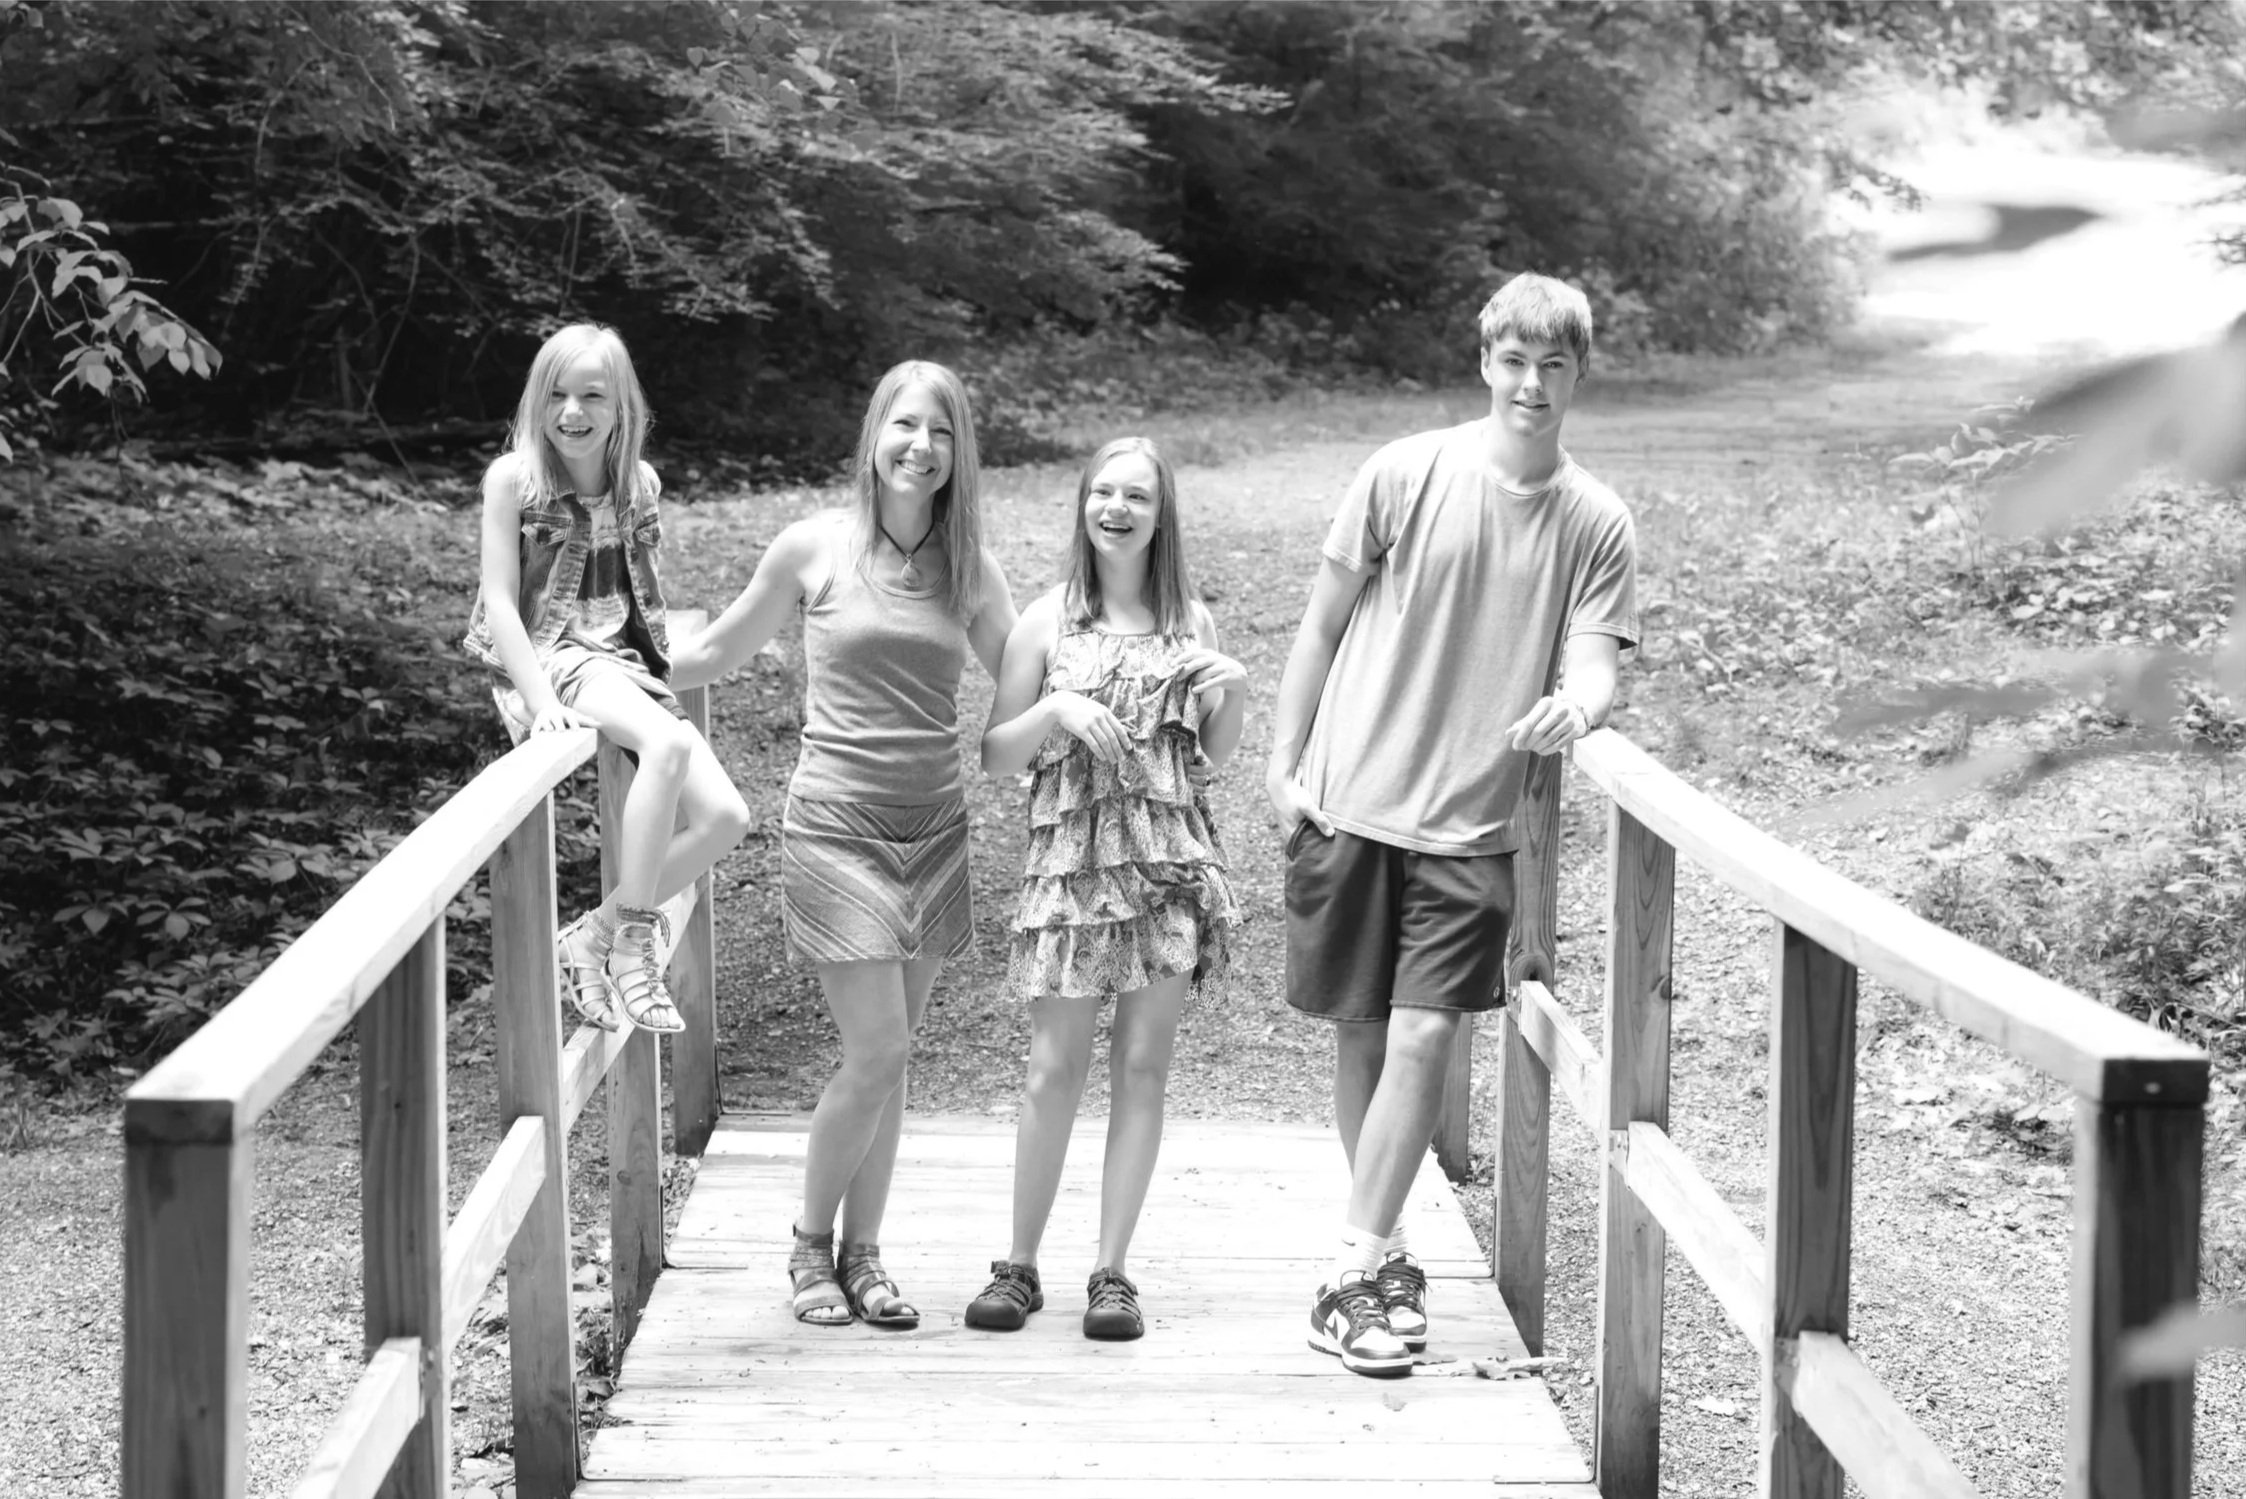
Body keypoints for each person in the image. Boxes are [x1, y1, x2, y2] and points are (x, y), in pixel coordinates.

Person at [1265, 274, 1638, 1378]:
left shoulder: (1594, 520)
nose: (1530, 383)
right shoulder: (1401, 471)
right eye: (1513, 361)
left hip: (1471, 825)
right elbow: (1319, 623)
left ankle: (1349, 1268)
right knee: (1363, 1034)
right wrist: (1282, 765)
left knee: (1427, 1033)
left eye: (1552, 365)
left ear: (1576, 374)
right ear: (1485, 362)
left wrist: (1579, 704)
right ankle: (1377, 1253)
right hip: (1349, 800)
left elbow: (1592, 660)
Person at [669, 360, 1018, 1331]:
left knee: (889, 1060)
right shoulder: (812, 547)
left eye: (941, 432)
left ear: (959, 453)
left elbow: (1027, 669)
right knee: (880, 1046)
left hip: (935, 829)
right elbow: (716, 651)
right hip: (834, 826)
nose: (921, 446)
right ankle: (809, 1244)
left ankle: (866, 1256)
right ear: (873, 434)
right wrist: (593, 663)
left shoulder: (968, 567)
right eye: (905, 425)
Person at [963, 437, 1247, 1342]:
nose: (1117, 508)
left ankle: (1112, 1271)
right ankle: (1018, 1265)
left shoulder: (1188, 623)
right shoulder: (1045, 621)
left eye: (1137, 496)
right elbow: (995, 753)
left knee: (1142, 1067)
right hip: (1069, 867)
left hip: (1166, 868)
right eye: (1103, 492)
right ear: (1083, 504)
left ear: (1163, 516)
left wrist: (1231, 687)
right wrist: (1053, 709)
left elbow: (1211, 759)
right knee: (1055, 1068)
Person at [463, 322, 753, 1036]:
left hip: (620, 663)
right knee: (666, 746)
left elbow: (638, 600)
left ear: (621, 406)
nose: (573, 410)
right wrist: (537, 702)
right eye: (557, 393)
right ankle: (632, 946)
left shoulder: (639, 485)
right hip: (553, 657)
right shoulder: (515, 481)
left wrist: (658, 664)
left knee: (726, 818)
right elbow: (499, 600)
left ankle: (593, 933)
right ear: (537, 400)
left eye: (592, 395)